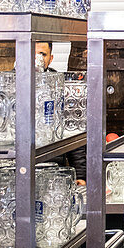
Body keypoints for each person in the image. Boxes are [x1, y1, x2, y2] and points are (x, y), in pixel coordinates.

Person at [36, 41, 86, 183]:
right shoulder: (8, 86)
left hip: (54, 168)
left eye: (42, 54)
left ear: (50, 58)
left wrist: (81, 175)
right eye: (32, 53)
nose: (37, 59)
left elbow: (73, 127)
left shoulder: (60, 83)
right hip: (17, 168)